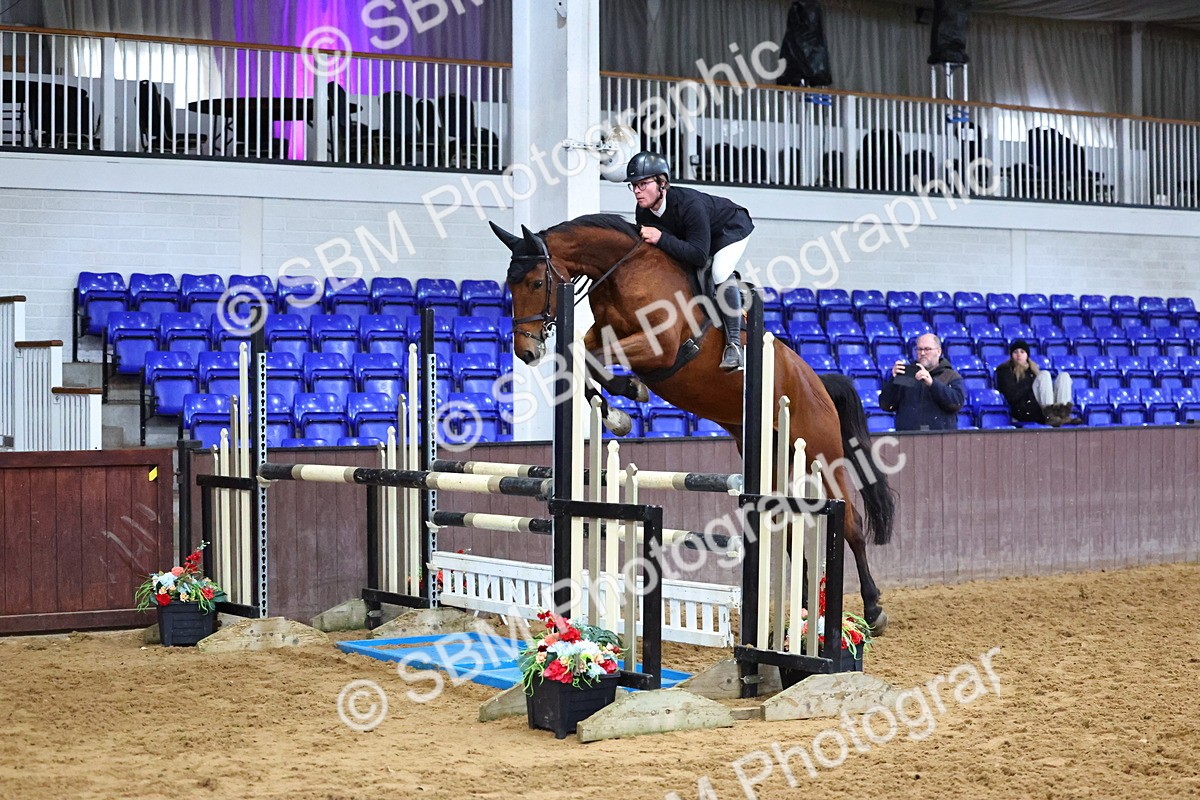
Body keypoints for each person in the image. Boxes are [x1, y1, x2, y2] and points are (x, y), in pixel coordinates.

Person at [625, 151, 755, 372]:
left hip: (730, 228)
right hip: (698, 238)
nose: (637, 191)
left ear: (662, 183)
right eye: (634, 185)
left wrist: (661, 237)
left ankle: (734, 345)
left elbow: (698, 255)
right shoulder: (644, 211)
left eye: (643, 184)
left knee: (719, 272)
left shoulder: (689, 205)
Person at [879, 333, 966, 431]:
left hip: (941, 441)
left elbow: (956, 403)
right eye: (919, 349)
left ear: (938, 351)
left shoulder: (950, 375)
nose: (923, 353)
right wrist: (893, 381)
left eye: (927, 349)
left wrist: (933, 384)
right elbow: (886, 405)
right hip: (908, 440)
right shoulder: (907, 374)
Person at [994, 339, 1076, 426]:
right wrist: (1030, 380)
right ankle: (1050, 415)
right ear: (1011, 355)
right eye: (1015, 352)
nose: (1018, 355)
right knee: (1044, 374)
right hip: (1024, 410)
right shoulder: (1005, 371)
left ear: (1027, 355)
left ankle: (1062, 414)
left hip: (1038, 408)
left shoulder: (1033, 370)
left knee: (1064, 376)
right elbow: (1012, 395)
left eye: (1022, 352)